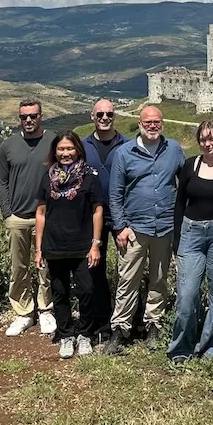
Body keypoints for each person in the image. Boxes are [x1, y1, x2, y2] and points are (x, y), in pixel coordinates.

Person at [104, 105, 186, 355]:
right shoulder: (124, 153)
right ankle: (120, 327)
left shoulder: (173, 150)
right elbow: (115, 194)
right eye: (148, 122)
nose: (152, 125)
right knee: (128, 278)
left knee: (159, 278)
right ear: (140, 124)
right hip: (134, 228)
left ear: (162, 124)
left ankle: (154, 323)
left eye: (157, 122)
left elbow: (185, 183)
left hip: (164, 226)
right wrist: (120, 226)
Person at [167, 120, 213, 363]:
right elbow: (179, 204)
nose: (208, 144)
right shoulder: (189, 166)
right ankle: (180, 349)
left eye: (212, 138)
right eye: (203, 139)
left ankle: (211, 349)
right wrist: (177, 240)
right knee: (187, 295)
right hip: (191, 233)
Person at [34, 131, 104, 358]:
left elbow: (97, 210)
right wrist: (38, 248)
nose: (66, 153)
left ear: (78, 150)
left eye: (70, 149)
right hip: (54, 245)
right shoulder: (47, 177)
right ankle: (66, 335)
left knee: (87, 290)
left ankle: (84, 334)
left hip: (82, 245)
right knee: (60, 292)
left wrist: (95, 244)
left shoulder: (90, 177)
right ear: (55, 151)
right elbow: (41, 212)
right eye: (61, 149)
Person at [0, 99, 57, 338]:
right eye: (24, 117)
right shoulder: (8, 145)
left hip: (47, 217)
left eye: (33, 116)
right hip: (18, 217)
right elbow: (1, 182)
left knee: (46, 266)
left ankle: (46, 309)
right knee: (18, 267)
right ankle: (23, 312)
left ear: (41, 116)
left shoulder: (52, 142)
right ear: (19, 118)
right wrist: (7, 214)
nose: (29, 120)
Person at [82, 99, 129, 338]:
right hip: (93, 217)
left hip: (122, 216)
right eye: (100, 114)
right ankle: (101, 320)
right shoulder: (82, 146)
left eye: (109, 114)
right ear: (92, 116)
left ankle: (127, 321)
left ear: (114, 116)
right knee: (95, 269)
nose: (104, 118)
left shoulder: (128, 146)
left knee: (127, 269)